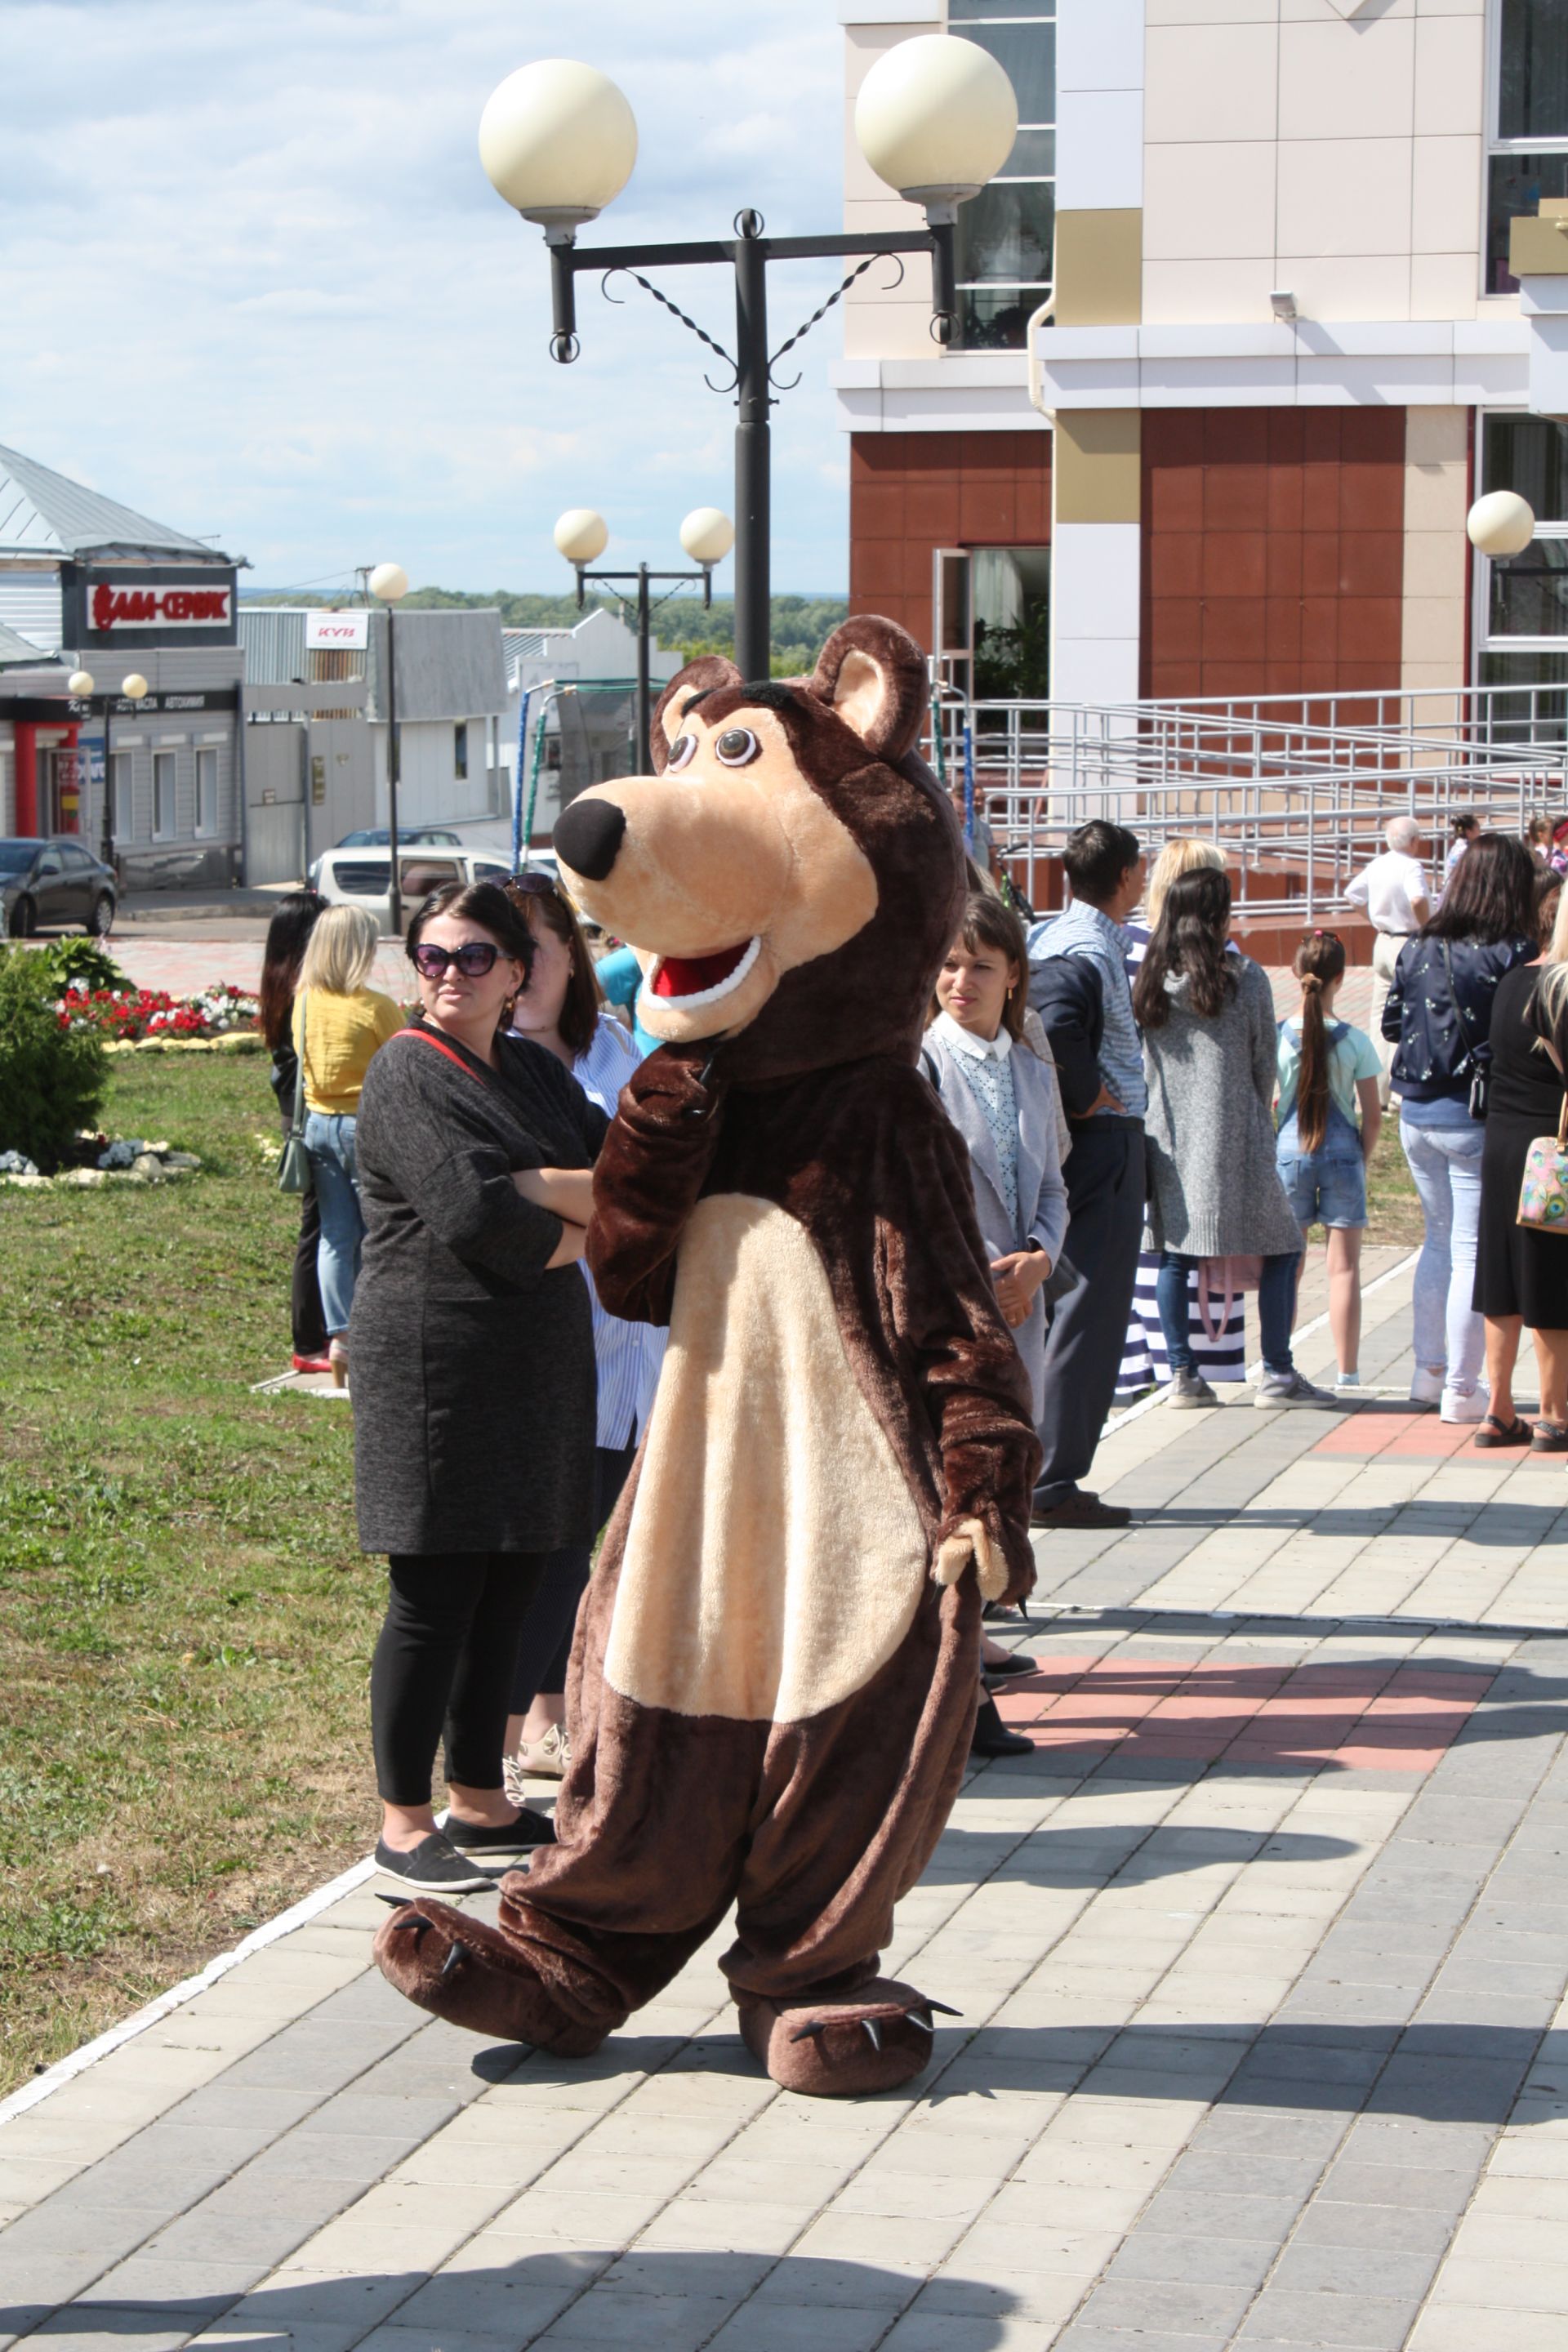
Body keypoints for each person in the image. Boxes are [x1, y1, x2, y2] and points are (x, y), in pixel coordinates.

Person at [350, 879, 610, 1894]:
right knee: (436, 1590)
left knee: (518, 1579)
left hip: (536, 1353)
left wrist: (543, 1189)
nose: (447, 975)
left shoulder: (536, 1076)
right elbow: (474, 1219)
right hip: (436, 1360)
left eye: (470, 958)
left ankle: (480, 1795)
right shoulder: (407, 1074)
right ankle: (404, 1820)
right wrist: (569, 1211)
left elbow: (622, 1173)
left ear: (517, 973)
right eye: (430, 957)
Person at [501, 872, 666, 1790]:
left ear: (572, 954)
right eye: (503, 951)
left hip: (634, 1339)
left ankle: (557, 1716)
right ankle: (522, 1725)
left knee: (599, 1536)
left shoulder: (611, 1049)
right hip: (548, 1340)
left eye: (537, 950)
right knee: (549, 1543)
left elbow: (646, 1180)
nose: (521, 972)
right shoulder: (486, 1064)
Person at [925, 892, 1068, 1757]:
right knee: (959, 1492)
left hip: (1024, 1304)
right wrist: (991, 1269)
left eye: (980, 965)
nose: (960, 982)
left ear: (1013, 976)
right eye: (947, 964)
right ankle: (962, 1693)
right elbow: (926, 1193)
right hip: (953, 1307)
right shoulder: (922, 1066)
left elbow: (1053, 1184)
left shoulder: (1031, 1068)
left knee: (1009, 1478)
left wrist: (1041, 1259)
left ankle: (978, 1644)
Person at [1134, 867, 1332, 1409]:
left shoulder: (1150, 979)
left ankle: (1183, 1375)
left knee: (1176, 1255)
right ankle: (1277, 1372)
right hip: (1237, 1131)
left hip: (1168, 1136)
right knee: (1283, 1247)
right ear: (1218, 914)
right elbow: (1263, 1061)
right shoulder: (1243, 978)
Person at [1383, 831, 1537, 1420]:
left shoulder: (1419, 944)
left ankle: (1430, 1373)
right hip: (1473, 1113)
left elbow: (1394, 1021)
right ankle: (1462, 1389)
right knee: (1472, 1249)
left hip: (1416, 1111)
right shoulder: (1512, 950)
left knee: (1438, 1243)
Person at [1028, 820, 1147, 1526]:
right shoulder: (1086, 942)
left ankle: (1043, 1470)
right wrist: (1087, 1092)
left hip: (1080, 1138)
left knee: (1066, 1298)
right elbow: (1058, 1015)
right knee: (1087, 1306)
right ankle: (1051, 1479)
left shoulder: (1054, 931)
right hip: (1099, 1138)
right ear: (1128, 875)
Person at [1472, 888, 1568, 1450]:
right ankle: (1555, 1414)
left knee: (1502, 1279)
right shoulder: (1562, 987)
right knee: (1551, 1280)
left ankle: (1498, 1410)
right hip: (1550, 1156)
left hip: (1503, 1145)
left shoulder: (1513, 979)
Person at [292, 905, 403, 1387]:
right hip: (365, 1126)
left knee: (336, 1237)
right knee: (381, 1232)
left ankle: (341, 1338)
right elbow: (404, 1059)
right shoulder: (375, 1007)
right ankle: (380, 1330)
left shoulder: (306, 1001)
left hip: (317, 1124)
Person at [1275, 931, 1383, 1392]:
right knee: (1344, 1269)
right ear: (1341, 978)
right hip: (1342, 1155)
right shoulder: (1356, 1041)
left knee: (1288, 1268)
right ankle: (1348, 1373)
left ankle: (1280, 1364)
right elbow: (1374, 1116)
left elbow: (1267, 1104)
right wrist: (1362, 1156)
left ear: (1297, 975)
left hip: (1289, 1152)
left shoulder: (1279, 1035)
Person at [258, 889, 330, 1374]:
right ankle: (309, 1341)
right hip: (310, 1118)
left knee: (320, 1224)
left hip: (297, 1115)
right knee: (320, 1225)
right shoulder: (307, 992)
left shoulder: (278, 983)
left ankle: (317, 1337)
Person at [1345, 813, 1431, 1105]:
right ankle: (1397, 1092)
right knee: (1407, 1013)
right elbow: (1418, 899)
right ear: (1414, 840)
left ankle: (1376, 1093)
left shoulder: (1377, 864)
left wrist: (1374, 919)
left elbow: (1353, 894)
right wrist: (1426, 928)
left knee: (1379, 1015)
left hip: (1382, 942)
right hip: (1406, 941)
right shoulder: (1411, 866)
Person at [1443, 813, 1480, 888]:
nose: (1480, 832)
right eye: (1478, 828)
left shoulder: (1456, 847)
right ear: (1469, 832)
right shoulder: (1467, 851)